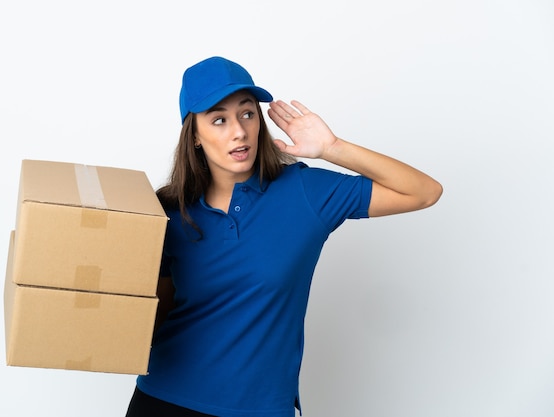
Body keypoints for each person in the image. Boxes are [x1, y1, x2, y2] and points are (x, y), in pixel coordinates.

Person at [125, 56, 442, 417]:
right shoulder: (168, 211)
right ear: (194, 136)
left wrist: (332, 148)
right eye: (219, 120)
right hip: (164, 399)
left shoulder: (305, 192)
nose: (239, 131)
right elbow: (153, 314)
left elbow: (423, 192)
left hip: (260, 408)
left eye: (247, 114)